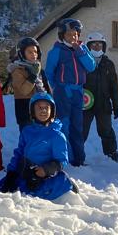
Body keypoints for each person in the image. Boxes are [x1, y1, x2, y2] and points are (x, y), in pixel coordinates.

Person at [0, 90, 76, 200]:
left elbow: (62, 160)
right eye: (39, 107)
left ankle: (66, 184)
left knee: (44, 190)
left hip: (46, 174)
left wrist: (46, 170)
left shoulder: (56, 135)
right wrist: (12, 173)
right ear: (32, 111)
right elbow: (19, 153)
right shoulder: (27, 131)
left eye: (46, 108)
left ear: (52, 111)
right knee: (5, 187)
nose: (43, 110)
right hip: (28, 171)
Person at [45, 18, 96, 167]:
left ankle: (79, 159)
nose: (73, 37)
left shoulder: (82, 49)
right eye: (69, 34)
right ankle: (66, 158)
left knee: (77, 126)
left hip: (78, 92)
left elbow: (91, 66)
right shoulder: (57, 51)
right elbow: (49, 72)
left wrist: (80, 52)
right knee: (64, 125)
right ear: (62, 35)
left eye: (75, 34)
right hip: (63, 91)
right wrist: (58, 87)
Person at [82, 31, 118, 162]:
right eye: (94, 44)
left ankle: (111, 153)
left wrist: (116, 105)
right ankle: (76, 154)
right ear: (88, 46)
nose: (97, 47)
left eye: (100, 44)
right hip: (85, 103)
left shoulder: (108, 64)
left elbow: (114, 86)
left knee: (106, 130)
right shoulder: (82, 62)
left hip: (103, 103)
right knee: (81, 130)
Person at [5, 36, 50, 130]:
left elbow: (47, 90)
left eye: (35, 51)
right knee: (29, 141)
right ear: (22, 53)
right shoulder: (18, 70)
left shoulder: (38, 70)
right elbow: (23, 91)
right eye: (30, 52)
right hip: (26, 112)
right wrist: (33, 76)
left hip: (42, 110)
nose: (33, 54)